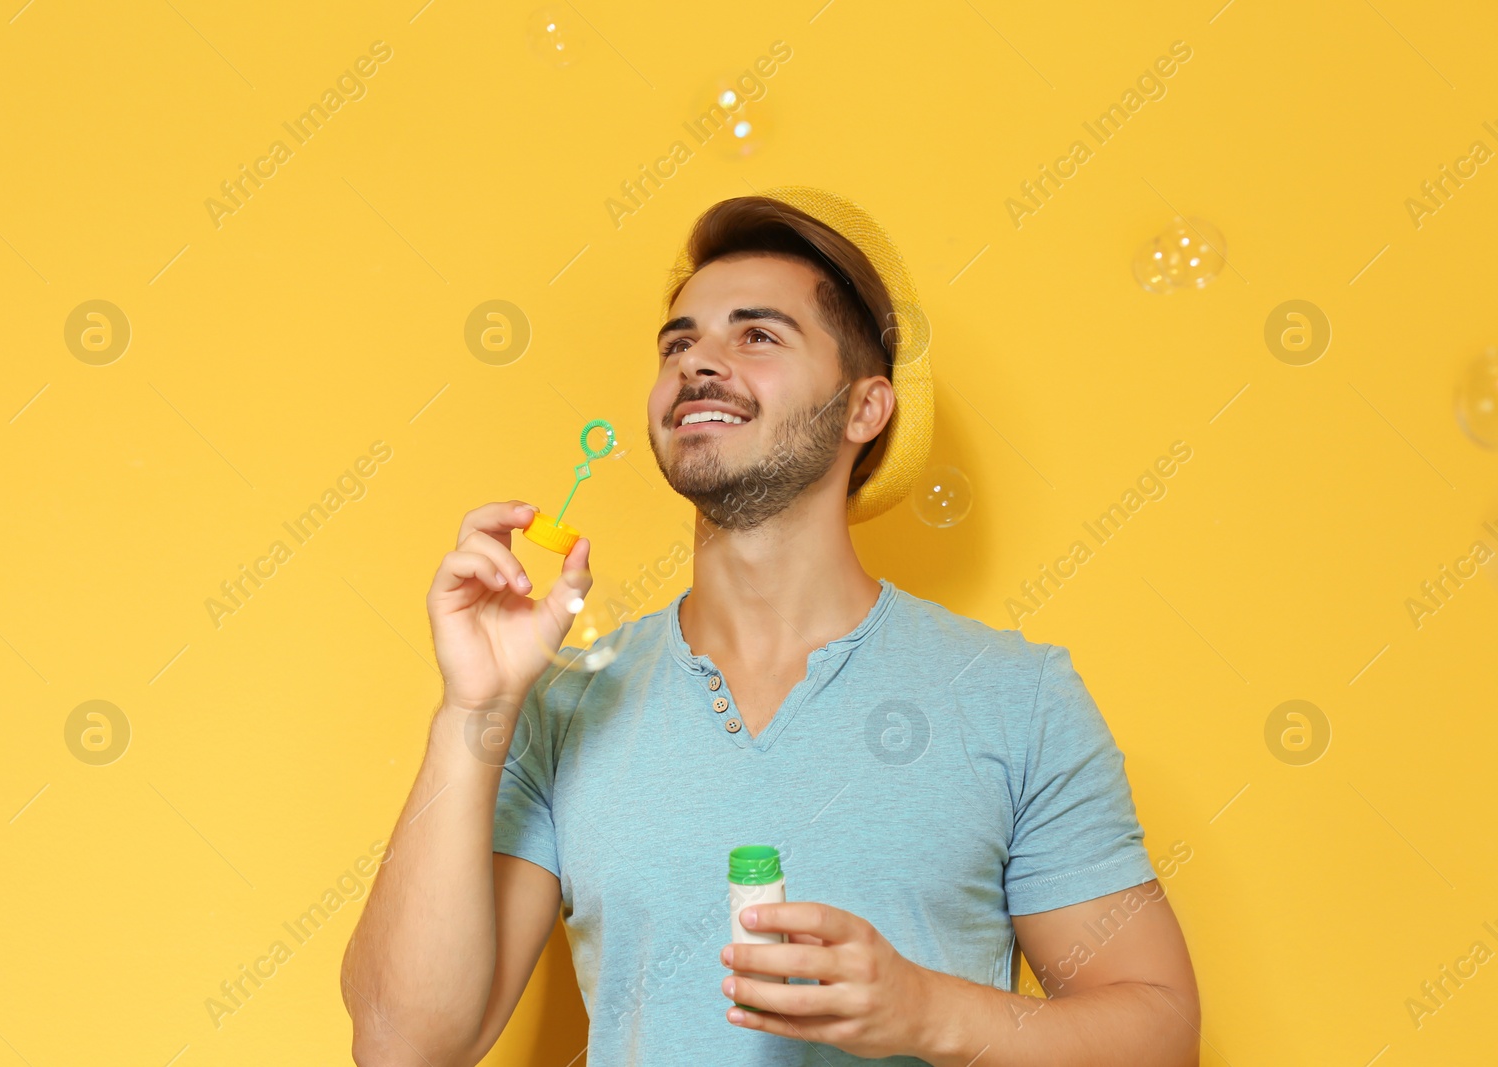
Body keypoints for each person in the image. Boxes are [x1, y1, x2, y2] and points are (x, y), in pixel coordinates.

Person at [341, 188, 1200, 1066]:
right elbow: (404, 1045)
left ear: (867, 409)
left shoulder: (1016, 697)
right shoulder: (565, 705)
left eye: (756, 334)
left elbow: (1161, 1033)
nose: (697, 364)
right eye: (679, 342)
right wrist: (471, 710)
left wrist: (930, 1011)